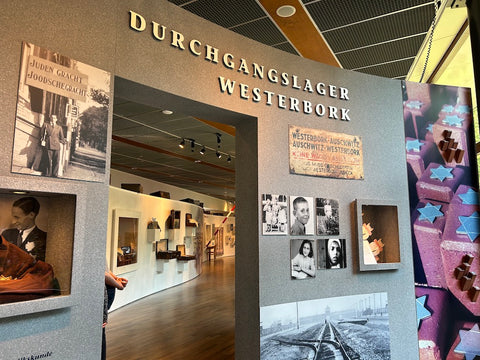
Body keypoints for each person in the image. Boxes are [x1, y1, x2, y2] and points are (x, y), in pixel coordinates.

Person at [1, 197, 47, 261]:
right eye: (13, 217)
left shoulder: (44, 238)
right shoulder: (6, 235)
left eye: (17, 217)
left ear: (31, 215)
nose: (13, 222)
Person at [102, 265, 128, 360]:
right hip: (100, 299)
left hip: (104, 298)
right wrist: (117, 284)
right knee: (100, 336)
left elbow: (105, 270)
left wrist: (116, 279)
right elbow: (101, 273)